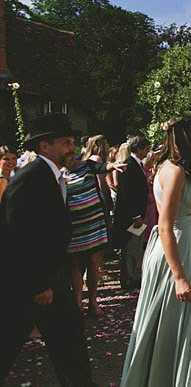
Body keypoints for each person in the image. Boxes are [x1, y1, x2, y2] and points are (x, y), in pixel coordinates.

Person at [121, 116, 191, 386]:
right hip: (174, 250)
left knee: (181, 319)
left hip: (186, 243)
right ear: (189, 139)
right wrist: (178, 275)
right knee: (171, 320)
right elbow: (165, 225)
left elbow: (186, 217)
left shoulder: (175, 168)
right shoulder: (174, 172)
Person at [0, 114, 95, 386]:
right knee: (8, 344)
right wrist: (39, 282)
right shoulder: (30, 179)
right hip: (32, 283)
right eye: (66, 142)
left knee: (70, 345)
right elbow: (14, 235)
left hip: (52, 277)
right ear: (45, 146)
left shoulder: (51, 176)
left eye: (72, 142)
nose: (72, 148)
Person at [64, 134, 124, 317]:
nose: (71, 156)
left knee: (93, 264)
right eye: (68, 155)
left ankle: (93, 301)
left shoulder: (87, 165)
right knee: (75, 265)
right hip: (74, 227)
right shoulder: (59, 175)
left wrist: (112, 165)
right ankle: (77, 303)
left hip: (94, 226)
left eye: (73, 153)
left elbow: (101, 167)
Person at [114, 135, 150, 290]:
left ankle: (134, 274)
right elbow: (128, 193)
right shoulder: (130, 165)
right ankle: (129, 277)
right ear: (140, 148)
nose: (148, 151)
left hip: (138, 214)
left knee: (135, 246)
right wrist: (136, 216)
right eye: (146, 148)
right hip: (132, 216)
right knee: (130, 247)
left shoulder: (136, 164)